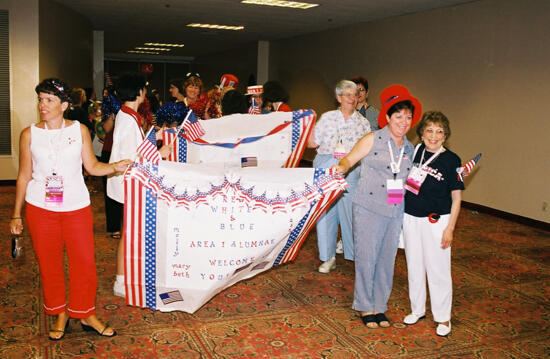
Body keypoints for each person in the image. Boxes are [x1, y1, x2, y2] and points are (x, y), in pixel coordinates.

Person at [9, 78, 131, 340]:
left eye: (49, 100)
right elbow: (23, 176)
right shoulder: (29, 134)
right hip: (41, 208)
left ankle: (85, 313)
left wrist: (114, 166)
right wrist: (16, 214)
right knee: (49, 264)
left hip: (76, 206)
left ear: (64, 104)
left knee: (84, 263)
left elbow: (92, 167)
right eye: (41, 99)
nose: (43, 105)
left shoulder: (80, 130)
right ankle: (59, 312)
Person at [333, 84, 421, 328]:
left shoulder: (410, 149)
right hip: (368, 207)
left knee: (386, 259)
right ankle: (364, 306)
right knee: (366, 257)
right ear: (388, 117)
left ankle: (380, 306)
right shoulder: (372, 139)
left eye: (408, 117)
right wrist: (336, 172)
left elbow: (412, 182)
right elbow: (349, 160)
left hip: (395, 210)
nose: (403, 121)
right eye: (398, 116)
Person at [402, 111, 463, 337]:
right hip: (410, 217)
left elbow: (457, 198)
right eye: (429, 130)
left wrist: (450, 228)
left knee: (438, 270)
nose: (434, 136)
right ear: (422, 133)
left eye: (439, 131)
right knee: (414, 266)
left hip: (436, 221)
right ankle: (417, 310)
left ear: (445, 135)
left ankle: (443, 318)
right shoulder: (414, 151)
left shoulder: (452, 160)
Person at [108, 73, 169, 297]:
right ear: (139, 92)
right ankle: (121, 280)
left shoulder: (127, 115)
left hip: (128, 182)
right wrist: (159, 152)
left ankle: (130, 275)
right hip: (128, 183)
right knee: (129, 232)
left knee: (133, 231)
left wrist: (153, 137)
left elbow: (135, 145)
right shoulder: (127, 118)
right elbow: (129, 156)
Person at [307, 80, 371, 273]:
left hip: (350, 167)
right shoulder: (327, 118)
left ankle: (353, 255)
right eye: (348, 95)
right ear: (338, 97)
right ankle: (328, 257)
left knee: (351, 212)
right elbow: (312, 143)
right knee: (325, 212)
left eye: (355, 95)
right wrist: (308, 124)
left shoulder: (363, 122)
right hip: (326, 164)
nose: (353, 98)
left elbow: (368, 150)